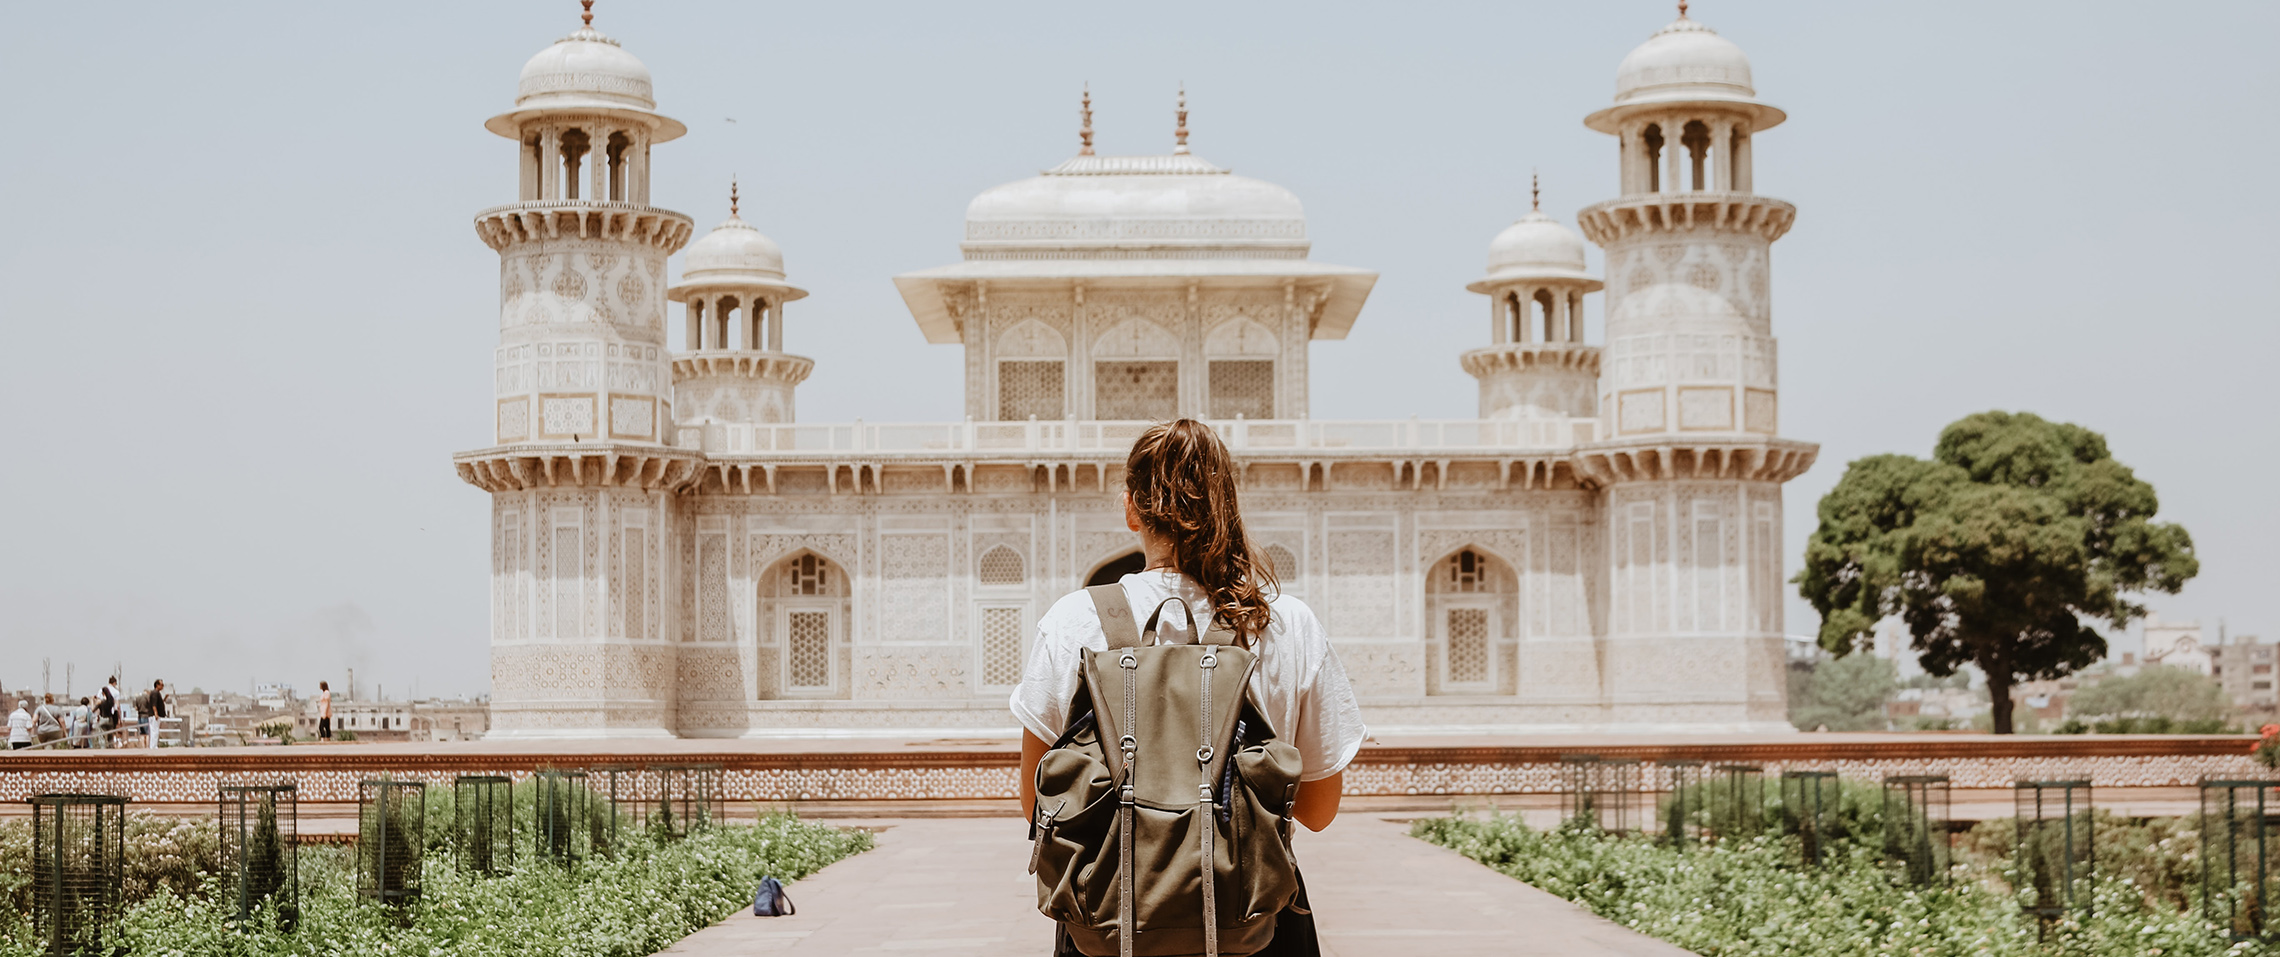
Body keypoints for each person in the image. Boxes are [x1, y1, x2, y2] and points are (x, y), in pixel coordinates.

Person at [1010, 419, 1367, 953]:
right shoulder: (1284, 624)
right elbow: (1318, 811)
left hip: (1110, 923)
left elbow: (1035, 802)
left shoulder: (1074, 622)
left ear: (1131, 509)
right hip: (1250, 924)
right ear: (1227, 504)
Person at [95, 676, 120, 749]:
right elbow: (117, 706)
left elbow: (97, 704)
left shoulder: (101, 690)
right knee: (110, 734)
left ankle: (102, 749)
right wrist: (119, 718)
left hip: (102, 715)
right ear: (114, 683)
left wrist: (97, 716)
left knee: (102, 735)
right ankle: (111, 748)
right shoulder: (116, 692)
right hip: (111, 715)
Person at [142, 679, 168, 747]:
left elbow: (159, 703)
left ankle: (154, 745)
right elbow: (154, 704)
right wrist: (156, 713)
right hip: (154, 715)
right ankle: (153, 746)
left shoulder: (156, 693)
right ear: (157, 685)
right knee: (154, 731)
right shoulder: (154, 693)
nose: (162, 687)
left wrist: (165, 698)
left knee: (155, 731)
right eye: (161, 685)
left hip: (155, 715)